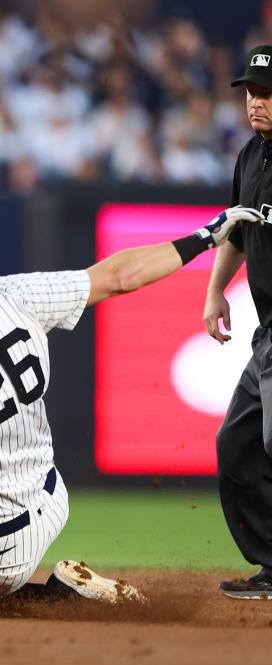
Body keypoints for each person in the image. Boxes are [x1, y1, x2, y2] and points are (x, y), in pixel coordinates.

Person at [0, 204, 264, 619]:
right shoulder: (9, 295)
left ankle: (54, 597)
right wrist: (204, 237)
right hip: (51, 500)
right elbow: (118, 277)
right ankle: (30, 584)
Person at [204, 44, 272, 599]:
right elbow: (236, 230)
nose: (257, 101)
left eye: (268, 93)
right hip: (266, 335)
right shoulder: (250, 156)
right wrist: (214, 292)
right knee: (238, 445)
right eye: (251, 91)